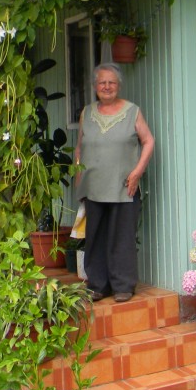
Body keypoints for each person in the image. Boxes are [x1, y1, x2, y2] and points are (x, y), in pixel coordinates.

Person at [74, 63, 155, 302]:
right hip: (93, 185)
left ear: (118, 86)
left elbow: (148, 141)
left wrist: (137, 172)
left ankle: (122, 286)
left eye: (111, 82)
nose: (107, 87)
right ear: (95, 86)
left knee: (122, 237)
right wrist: (79, 180)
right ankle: (98, 285)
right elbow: (80, 147)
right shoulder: (86, 113)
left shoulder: (132, 111)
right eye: (102, 82)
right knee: (95, 236)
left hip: (123, 185)